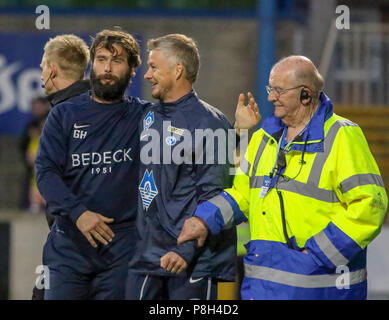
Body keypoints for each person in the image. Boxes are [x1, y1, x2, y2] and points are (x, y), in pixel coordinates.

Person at [178, 55, 388, 300]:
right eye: (270, 88)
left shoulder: (342, 136)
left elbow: (371, 205)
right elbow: (242, 195)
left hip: (323, 291)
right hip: (261, 290)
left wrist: (317, 255)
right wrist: (203, 220)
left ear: (305, 95)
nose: (269, 97)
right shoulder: (263, 139)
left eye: (278, 90)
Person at [125, 34, 260, 300]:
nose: (147, 75)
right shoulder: (147, 116)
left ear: (178, 70)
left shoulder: (209, 122)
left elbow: (214, 192)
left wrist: (184, 251)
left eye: (153, 67)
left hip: (193, 260)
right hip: (147, 258)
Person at [35, 29, 151, 300]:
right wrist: (79, 213)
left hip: (121, 247)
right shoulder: (64, 114)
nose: (107, 68)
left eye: (117, 61)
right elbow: (46, 171)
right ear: (91, 65)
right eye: (101, 59)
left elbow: (194, 127)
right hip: (69, 244)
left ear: (132, 69)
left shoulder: (144, 116)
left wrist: (239, 130)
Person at [32, 34, 91, 300]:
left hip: (71, 243)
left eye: (43, 66)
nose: (42, 72)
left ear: (52, 69)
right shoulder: (101, 107)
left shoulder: (59, 116)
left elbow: (49, 174)